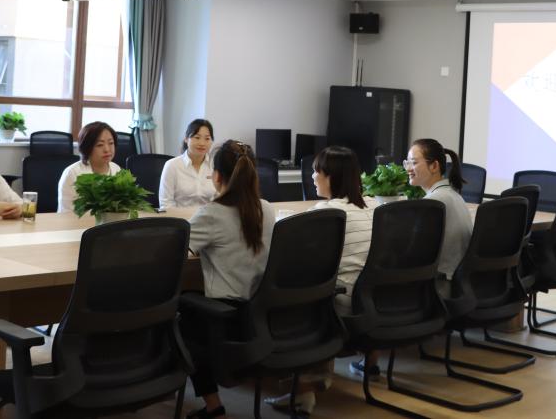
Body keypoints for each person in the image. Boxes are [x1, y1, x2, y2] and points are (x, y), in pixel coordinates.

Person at [349, 138, 472, 380]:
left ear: (434, 166)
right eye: (407, 162)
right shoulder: (452, 196)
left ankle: (370, 361)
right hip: (453, 286)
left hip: (435, 291)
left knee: (365, 282)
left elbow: (409, 252)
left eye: (414, 162)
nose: (408, 168)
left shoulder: (434, 204)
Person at [265, 145, 374, 415]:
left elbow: (300, 261)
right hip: (371, 300)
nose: (312, 177)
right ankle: (313, 381)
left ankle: (303, 389)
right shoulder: (373, 205)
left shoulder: (326, 213)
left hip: (343, 301)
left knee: (294, 297)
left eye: (317, 172)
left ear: (332, 177)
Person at [183, 140, 276, 419]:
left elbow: (175, 251)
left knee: (181, 313)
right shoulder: (266, 208)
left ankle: (214, 407)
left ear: (217, 176)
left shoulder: (212, 214)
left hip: (224, 320)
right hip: (260, 316)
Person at [57, 121, 121, 212]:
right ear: (87, 147)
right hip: (77, 221)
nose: (107, 149)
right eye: (100, 145)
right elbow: (66, 213)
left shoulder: (116, 169)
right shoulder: (73, 173)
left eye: (111, 143)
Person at [158, 118, 215, 209]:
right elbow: (166, 203)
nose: (202, 143)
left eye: (207, 139)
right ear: (186, 139)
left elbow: (220, 199)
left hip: (208, 216)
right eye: (197, 137)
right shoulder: (172, 166)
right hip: (179, 217)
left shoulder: (215, 165)